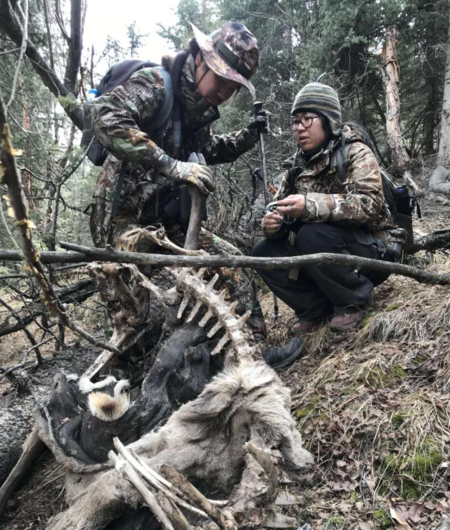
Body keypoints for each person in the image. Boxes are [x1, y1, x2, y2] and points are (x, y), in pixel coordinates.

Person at [89, 21, 303, 368]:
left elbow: (209, 148)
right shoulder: (157, 84)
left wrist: (248, 136)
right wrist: (172, 166)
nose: (224, 91)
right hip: (122, 222)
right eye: (221, 78)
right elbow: (105, 115)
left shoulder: (197, 110)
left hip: (167, 221)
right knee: (133, 326)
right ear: (200, 60)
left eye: (233, 85)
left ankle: (254, 357)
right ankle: (127, 387)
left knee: (230, 264)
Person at [253, 82, 406, 334]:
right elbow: (278, 211)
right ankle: (314, 309)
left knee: (312, 234)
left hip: (372, 251)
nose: (298, 128)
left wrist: (309, 206)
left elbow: (368, 205)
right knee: (262, 252)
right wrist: (272, 224)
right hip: (324, 253)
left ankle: (351, 300)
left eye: (307, 119)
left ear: (328, 120)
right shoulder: (296, 166)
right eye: (295, 121)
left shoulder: (355, 152)